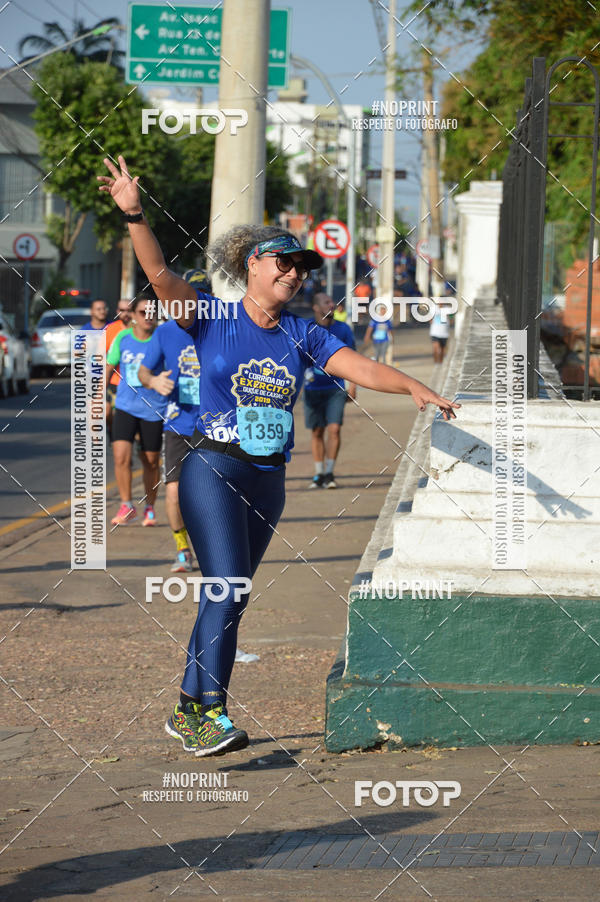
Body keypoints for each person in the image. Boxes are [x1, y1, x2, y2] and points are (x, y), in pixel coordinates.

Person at [98, 154, 459, 758]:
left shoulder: (303, 333)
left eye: (301, 266)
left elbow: (360, 367)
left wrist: (414, 386)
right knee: (226, 588)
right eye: (283, 263)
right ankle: (206, 712)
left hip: (269, 479)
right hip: (213, 465)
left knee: (233, 593)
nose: (294, 273)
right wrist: (135, 212)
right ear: (251, 267)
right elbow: (159, 273)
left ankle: (189, 707)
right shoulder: (208, 315)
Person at [138, 318, 200, 571]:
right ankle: (182, 549)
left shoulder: (220, 325)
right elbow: (142, 371)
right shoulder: (165, 332)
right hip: (178, 424)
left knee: (213, 495)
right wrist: (153, 382)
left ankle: (217, 550)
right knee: (173, 492)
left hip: (217, 424)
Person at [105, 295, 167, 526]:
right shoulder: (123, 338)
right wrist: (99, 398)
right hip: (125, 405)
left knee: (150, 461)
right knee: (121, 456)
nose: (148, 317)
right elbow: (108, 367)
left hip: (153, 408)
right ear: (132, 316)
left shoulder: (162, 339)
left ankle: (150, 506)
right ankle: (127, 505)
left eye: (152, 313)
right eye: (143, 312)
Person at [304, 293, 356, 489]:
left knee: (334, 429)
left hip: (335, 388)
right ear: (316, 308)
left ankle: (329, 473)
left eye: (332, 301)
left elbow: (352, 359)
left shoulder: (342, 329)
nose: (332, 304)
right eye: (327, 302)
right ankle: (318, 474)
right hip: (312, 388)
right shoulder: (306, 328)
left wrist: (352, 385)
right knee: (317, 431)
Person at [105, 299, 133, 432]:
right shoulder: (111, 329)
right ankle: (112, 429)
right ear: (117, 312)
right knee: (107, 413)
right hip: (114, 381)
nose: (126, 314)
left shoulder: (140, 328)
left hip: (134, 382)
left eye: (129, 310)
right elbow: (101, 356)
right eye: (122, 310)